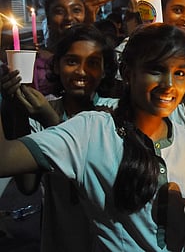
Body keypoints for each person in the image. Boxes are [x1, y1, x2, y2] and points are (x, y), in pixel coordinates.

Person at [0, 24, 185, 251]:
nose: (169, 85)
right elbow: (5, 160)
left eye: (179, 73)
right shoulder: (93, 131)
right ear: (128, 73)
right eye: (156, 70)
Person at [1, 24, 118, 252]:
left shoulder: (115, 112)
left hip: (106, 238)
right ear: (56, 64)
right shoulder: (40, 108)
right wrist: (15, 106)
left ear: (105, 70)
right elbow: (27, 185)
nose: (81, 71)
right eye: (72, 61)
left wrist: (49, 118)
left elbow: (94, 169)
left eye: (93, 63)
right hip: (62, 236)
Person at [34, 0, 113, 96]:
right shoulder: (36, 63)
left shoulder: (97, 53)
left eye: (76, 10)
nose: (69, 18)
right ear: (48, 19)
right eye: (59, 12)